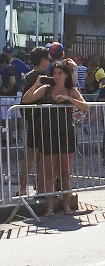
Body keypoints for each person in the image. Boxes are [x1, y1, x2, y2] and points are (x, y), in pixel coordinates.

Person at [21, 60, 88, 215]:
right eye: (54, 73)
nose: (57, 76)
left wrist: (69, 99)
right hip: (48, 133)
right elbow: (26, 99)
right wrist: (36, 84)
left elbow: (85, 106)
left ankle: (66, 206)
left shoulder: (71, 90)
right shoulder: (45, 89)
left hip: (66, 133)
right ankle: (50, 207)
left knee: (65, 171)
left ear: (66, 75)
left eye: (60, 73)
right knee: (49, 172)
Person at [18, 46, 50, 196]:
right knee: (38, 157)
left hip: (32, 119)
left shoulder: (29, 75)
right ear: (43, 60)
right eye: (48, 59)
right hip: (41, 119)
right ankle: (39, 189)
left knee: (32, 156)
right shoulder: (41, 77)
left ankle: (25, 188)